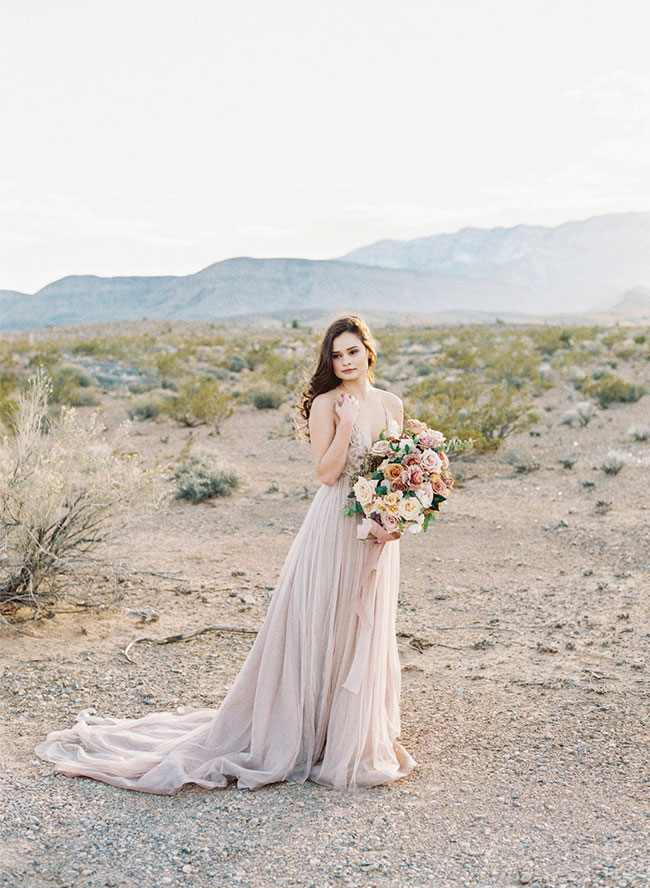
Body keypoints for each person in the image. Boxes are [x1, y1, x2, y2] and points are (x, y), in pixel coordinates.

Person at [34, 314, 416, 793]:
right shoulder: (325, 405)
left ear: (368, 351)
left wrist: (399, 511)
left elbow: (397, 469)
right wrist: (346, 426)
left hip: (376, 528)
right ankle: (306, 734)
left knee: (365, 623)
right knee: (323, 620)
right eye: (335, 355)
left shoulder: (392, 403)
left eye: (352, 352)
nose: (344, 362)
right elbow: (325, 473)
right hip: (335, 522)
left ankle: (352, 735)